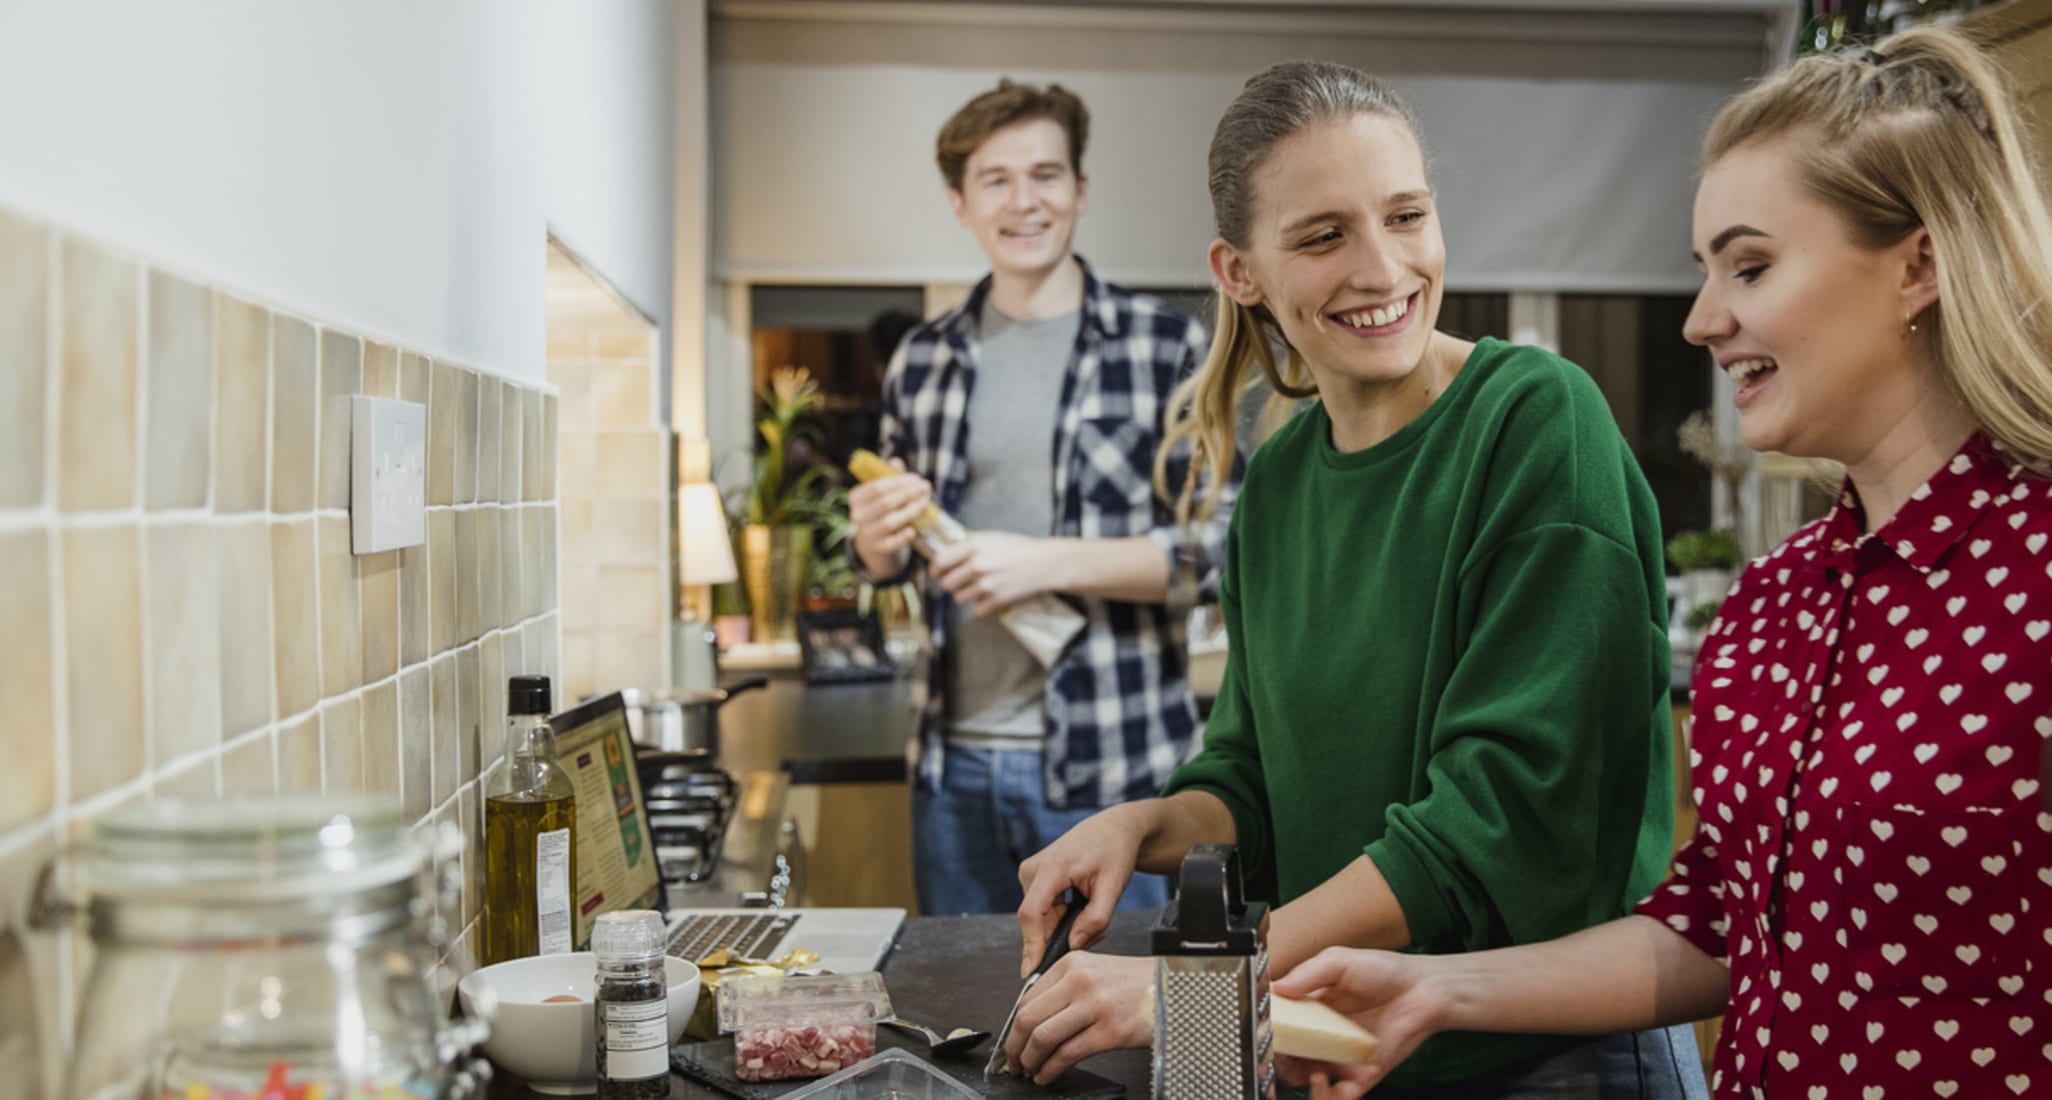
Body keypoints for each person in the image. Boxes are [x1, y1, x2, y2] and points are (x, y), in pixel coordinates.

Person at [1269, 26, 2052, 1100]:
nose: (1702, 318)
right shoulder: (1772, 610)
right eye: (1705, 270)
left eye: (1752, 264)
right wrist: (1435, 988)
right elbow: (1713, 928)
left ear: (1916, 263)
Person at [1004, 60, 1704, 1095]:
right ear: (1239, 271)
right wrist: (1140, 824)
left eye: (1407, 215)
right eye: (1324, 235)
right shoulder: (1282, 479)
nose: (1383, 268)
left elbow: (1498, 817)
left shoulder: (1537, 423)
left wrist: (1206, 987)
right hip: (1347, 1049)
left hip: (1553, 1058)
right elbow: (1252, 774)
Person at [847, 79, 1231, 917]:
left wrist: (1044, 562)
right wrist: (875, 542)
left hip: (1115, 767)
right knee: (969, 1029)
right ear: (960, 202)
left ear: (1080, 190)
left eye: (1047, 175)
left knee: (1124, 1030)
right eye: (996, 180)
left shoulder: (1166, 346)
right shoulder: (922, 358)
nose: (1025, 202)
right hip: (950, 771)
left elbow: (1223, 554)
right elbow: (888, 563)